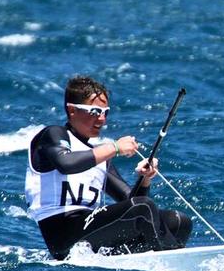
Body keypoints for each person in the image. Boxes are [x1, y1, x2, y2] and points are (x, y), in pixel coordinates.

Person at [25, 75, 192, 260]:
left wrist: (145, 179)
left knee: (177, 221)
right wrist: (115, 147)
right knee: (143, 208)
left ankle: (157, 258)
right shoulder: (52, 134)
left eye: (106, 112)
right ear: (72, 110)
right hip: (63, 236)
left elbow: (132, 202)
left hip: (91, 234)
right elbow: (66, 164)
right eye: (95, 111)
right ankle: (169, 259)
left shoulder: (100, 157)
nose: (102, 119)